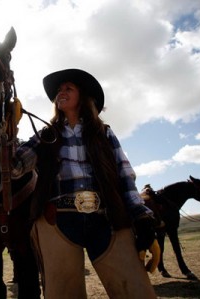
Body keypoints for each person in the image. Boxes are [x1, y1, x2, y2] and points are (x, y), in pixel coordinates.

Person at [11, 69, 157, 298]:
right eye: (59, 90)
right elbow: (15, 166)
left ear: (84, 96)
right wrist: (9, 132)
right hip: (57, 221)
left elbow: (125, 175)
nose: (61, 92)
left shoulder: (104, 133)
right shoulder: (45, 135)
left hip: (106, 219)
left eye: (68, 88)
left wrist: (141, 216)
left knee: (137, 292)